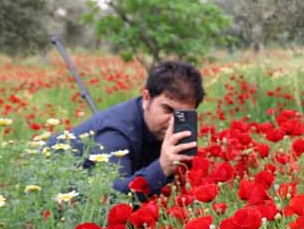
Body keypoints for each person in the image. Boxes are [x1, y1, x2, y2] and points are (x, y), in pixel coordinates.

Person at [54, 59, 203, 197]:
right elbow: (112, 195)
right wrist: (162, 167)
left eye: (182, 116)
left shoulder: (160, 129)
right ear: (146, 99)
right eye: (167, 110)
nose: (172, 122)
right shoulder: (116, 132)